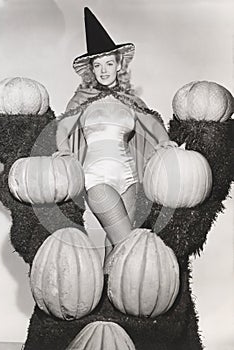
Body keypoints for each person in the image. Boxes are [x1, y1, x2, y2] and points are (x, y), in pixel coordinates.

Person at [56, 7, 176, 257]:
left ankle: (108, 295)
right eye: (97, 65)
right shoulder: (83, 99)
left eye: (109, 63)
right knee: (129, 245)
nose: (103, 70)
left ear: (118, 64)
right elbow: (64, 127)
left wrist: (164, 141)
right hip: (96, 178)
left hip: (129, 178)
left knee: (117, 249)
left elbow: (152, 123)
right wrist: (65, 150)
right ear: (91, 69)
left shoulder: (128, 100)